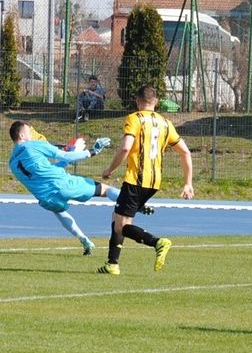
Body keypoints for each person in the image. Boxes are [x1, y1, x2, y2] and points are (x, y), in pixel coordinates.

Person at [97, 85, 194, 275]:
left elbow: (126, 148)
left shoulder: (135, 118)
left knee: (122, 225)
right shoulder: (166, 123)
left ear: (137, 101)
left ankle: (157, 242)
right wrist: (188, 183)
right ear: (156, 102)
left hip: (135, 180)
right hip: (154, 182)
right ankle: (112, 264)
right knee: (119, 218)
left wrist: (110, 169)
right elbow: (185, 152)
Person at [9, 120, 113, 256]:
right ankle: (133, 201)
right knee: (104, 189)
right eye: (29, 132)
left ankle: (84, 240)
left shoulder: (12, 162)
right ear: (22, 136)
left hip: (46, 198)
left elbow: (43, 172)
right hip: (62, 185)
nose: (31, 135)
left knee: (61, 213)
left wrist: (66, 160)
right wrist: (91, 151)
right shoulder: (32, 146)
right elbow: (65, 155)